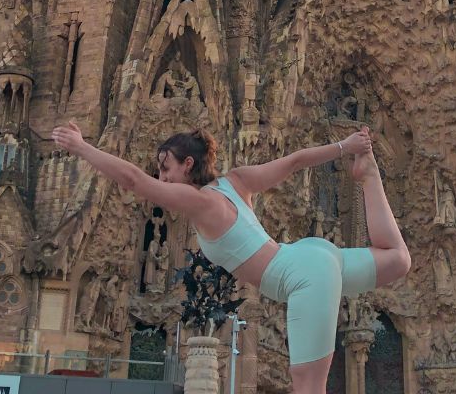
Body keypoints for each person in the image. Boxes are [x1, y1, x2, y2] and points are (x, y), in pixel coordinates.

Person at [52, 120, 411, 394]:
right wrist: (345, 146)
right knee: (397, 259)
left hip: (303, 277)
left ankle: (367, 174)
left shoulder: (202, 201)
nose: (160, 177)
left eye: (166, 168)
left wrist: (82, 147)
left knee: (307, 387)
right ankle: (368, 175)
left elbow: (133, 180)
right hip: (310, 254)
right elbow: (296, 161)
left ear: (188, 164)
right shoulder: (235, 181)